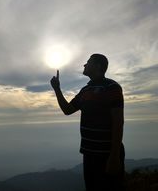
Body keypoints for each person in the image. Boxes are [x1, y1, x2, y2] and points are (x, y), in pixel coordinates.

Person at [50, 53, 125, 191]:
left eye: (88, 62)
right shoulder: (85, 91)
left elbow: (118, 122)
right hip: (89, 153)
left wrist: (114, 156)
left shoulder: (112, 87)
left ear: (97, 66)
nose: (84, 65)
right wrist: (57, 89)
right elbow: (67, 110)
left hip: (107, 154)